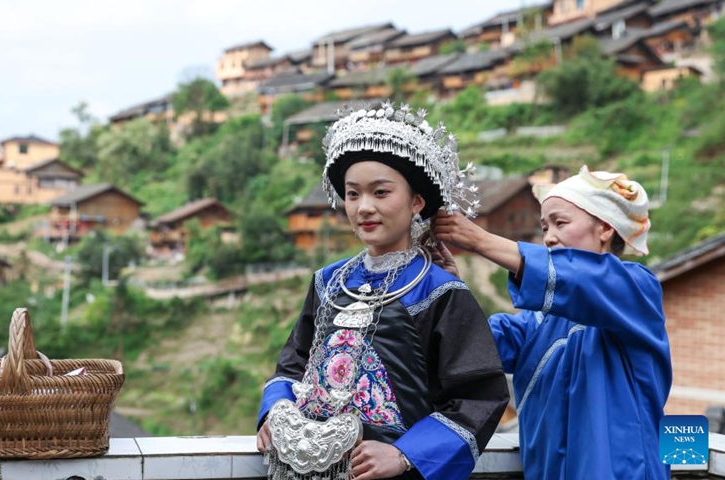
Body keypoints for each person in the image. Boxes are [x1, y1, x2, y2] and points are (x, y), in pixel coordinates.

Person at [256, 102, 509, 480]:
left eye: (381, 192)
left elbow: (478, 397)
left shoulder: (441, 293)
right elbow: (293, 365)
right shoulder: (328, 282)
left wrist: (406, 454)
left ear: (417, 201)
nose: (364, 208)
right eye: (353, 194)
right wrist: (275, 412)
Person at [430, 165, 672, 479]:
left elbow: (584, 281)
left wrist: (479, 240)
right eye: (545, 228)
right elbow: (475, 346)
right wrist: (452, 291)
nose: (549, 238)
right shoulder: (535, 323)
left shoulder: (637, 292)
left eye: (560, 223)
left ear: (605, 229)